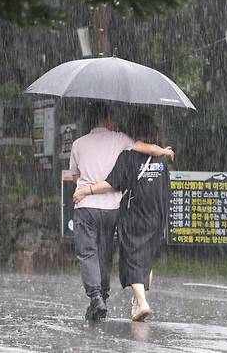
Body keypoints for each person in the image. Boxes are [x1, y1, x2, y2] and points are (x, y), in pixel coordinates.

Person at [69, 102, 174, 322]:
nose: (115, 121)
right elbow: (147, 148)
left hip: (88, 207)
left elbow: (77, 176)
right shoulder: (121, 140)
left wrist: (85, 189)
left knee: (90, 253)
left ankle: (98, 297)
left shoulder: (78, 144)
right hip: (116, 210)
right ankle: (107, 296)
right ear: (107, 119)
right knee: (106, 255)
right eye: (112, 118)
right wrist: (163, 151)